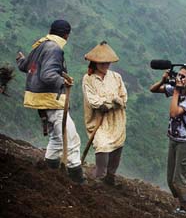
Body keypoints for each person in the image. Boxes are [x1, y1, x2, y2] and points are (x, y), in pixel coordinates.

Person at [16, 19, 85, 183]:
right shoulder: (54, 48)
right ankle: (77, 179)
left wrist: (20, 59)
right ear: (66, 35)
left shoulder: (41, 45)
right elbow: (48, 75)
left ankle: (49, 172)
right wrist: (63, 82)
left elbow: (24, 66)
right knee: (71, 138)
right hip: (51, 100)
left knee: (56, 137)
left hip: (39, 99)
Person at [150, 65, 186, 213]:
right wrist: (163, 81)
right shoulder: (177, 91)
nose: (179, 78)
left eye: (183, 76)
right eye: (178, 75)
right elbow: (153, 89)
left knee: (180, 179)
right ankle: (181, 206)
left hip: (185, 142)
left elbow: (174, 113)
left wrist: (176, 91)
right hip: (173, 139)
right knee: (171, 179)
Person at [82, 41, 127, 186]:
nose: (105, 65)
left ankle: (110, 177)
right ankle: (99, 177)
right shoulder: (88, 79)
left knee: (117, 145)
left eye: (107, 62)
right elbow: (94, 102)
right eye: (101, 62)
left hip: (117, 119)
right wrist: (112, 101)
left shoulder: (116, 77)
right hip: (98, 120)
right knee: (102, 144)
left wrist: (112, 101)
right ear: (94, 63)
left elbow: (124, 98)